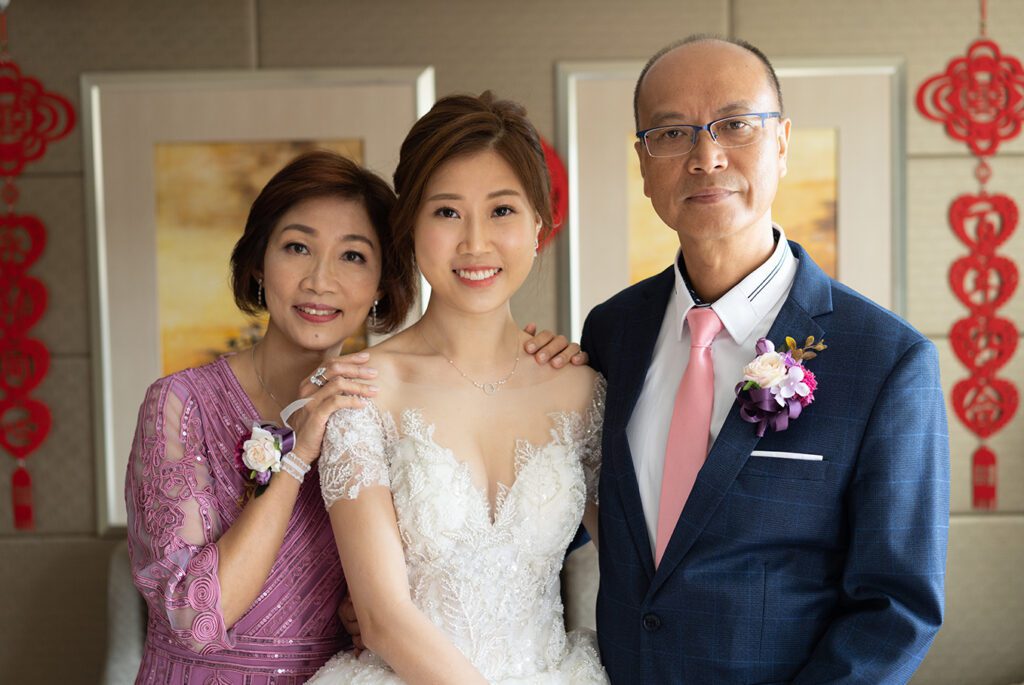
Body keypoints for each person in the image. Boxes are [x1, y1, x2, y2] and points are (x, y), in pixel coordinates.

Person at [125, 150, 583, 684]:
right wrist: (296, 458)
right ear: (258, 263)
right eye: (297, 248)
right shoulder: (181, 404)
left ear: (383, 283)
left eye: (353, 256)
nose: (321, 281)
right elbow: (194, 617)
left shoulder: (378, 410)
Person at [581, 36, 950, 683]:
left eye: (735, 124)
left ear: (781, 142)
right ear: (643, 162)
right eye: (672, 133)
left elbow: (896, 610)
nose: (706, 156)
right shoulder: (611, 331)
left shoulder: (887, 360)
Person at [306, 93, 608, 684]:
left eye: (502, 210)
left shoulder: (581, 390)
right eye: (447, 212)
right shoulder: (362, 392)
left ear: (539, 225)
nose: (475, 243)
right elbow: (382, 618)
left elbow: (635, 573)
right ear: (410, 228)